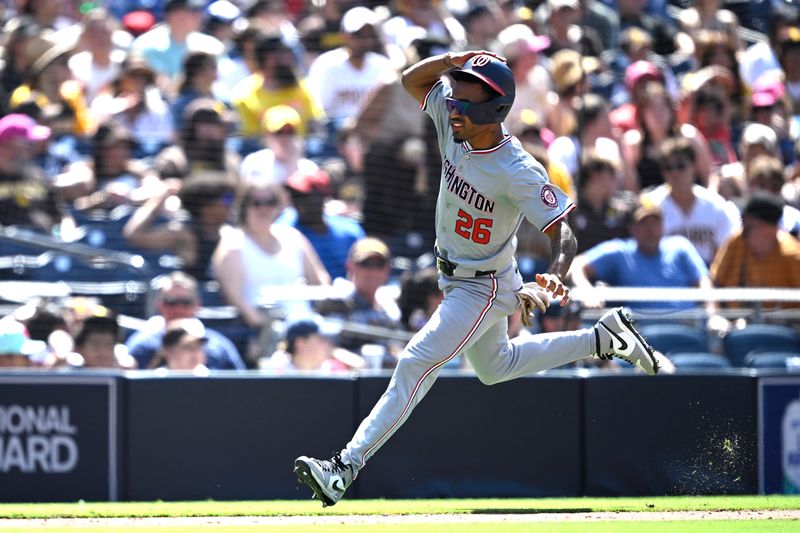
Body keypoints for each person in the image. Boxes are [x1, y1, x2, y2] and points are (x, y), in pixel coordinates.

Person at [293, 51, 666, 507]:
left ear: (494, 110)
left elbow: (563, 232)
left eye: (464, 102)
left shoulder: (517, 169)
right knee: (496, 367)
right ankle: (601, 340)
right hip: (457, 275)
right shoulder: (456, 129)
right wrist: (455, 59)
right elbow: (412, 81)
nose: (453, 107)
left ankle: (343, 468)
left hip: (483, 285)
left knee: (415, 362)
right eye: (453, 99)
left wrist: (550, 277)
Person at [211, 182, 331, 329]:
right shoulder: (233, 244)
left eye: (270, 202)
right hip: (261, 330)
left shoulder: (292, 237)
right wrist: (261, 324)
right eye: (256, 203)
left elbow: (320, 280)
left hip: (305, 324)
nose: (264, 208)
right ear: (244, 207)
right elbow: (234, 296)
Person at [569, 200, 713, 311]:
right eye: (644, 223)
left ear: (663, 225)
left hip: (689, 328)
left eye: (655, 222)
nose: (650, 229)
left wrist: (713, 315)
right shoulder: (620, 252)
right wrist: (586, 291)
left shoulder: (681, 246)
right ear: (632, 228)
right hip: (641, 338)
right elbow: (576, 266)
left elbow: (703, 282)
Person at [125, 271, 246, 370]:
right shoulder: (141, 346)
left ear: (197, 305)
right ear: (159, 304)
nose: (178, 308)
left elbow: (240, 387)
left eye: (186, 302)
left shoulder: (219, 346)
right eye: (171, 301)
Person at [316, 236, 403, 357]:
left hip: (383, 374)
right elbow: (324, 347)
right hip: (344, 373)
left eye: (379, 264)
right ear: (350, 266)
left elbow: (397, 346)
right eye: (365, 264)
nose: (372, 271)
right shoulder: (337, 301)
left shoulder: (390, 309)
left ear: (387, 270)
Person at [711, 191, 800, 304]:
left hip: (782, 321)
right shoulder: (736, 242)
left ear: (771, 228)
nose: (743, 227)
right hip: (733, 319)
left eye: (749, 225)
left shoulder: (792, 255)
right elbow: (715, 282)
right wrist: (714, 316)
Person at [277, 169, 365, 281]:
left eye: (304, 196)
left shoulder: (349, 232)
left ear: (322, 197)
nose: (298, 202)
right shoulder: (284, 232)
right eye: (295, 196)